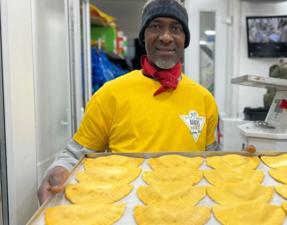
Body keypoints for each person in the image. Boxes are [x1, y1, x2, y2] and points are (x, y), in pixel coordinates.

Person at [37, 0, 219, 204]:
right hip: (126, 209)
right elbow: (75, 154)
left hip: (187, 206)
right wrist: (58, 170)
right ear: (144, 36)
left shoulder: (204, 99)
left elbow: (210, 160)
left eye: (175, 28)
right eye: (156, 26)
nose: (166, 37)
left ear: (184, 39)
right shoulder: (111, 94)